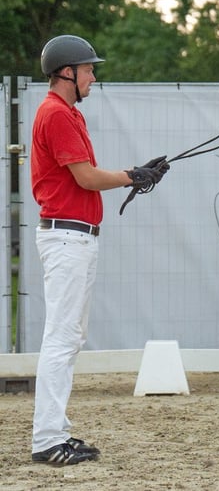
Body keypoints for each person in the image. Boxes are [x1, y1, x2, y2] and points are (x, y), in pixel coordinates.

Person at [30, 35, 169, 466]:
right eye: (88, 69)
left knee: (68, 337)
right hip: (68, 237)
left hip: (76, 236)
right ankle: (47, 439)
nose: (94, 75)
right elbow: (87, 178)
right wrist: (133, 175)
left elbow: (87, 177)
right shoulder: (56, 114)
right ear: (66, 72)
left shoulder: (67, 114)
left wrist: (137, 174)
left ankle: (55, 433)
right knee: (60, 338)